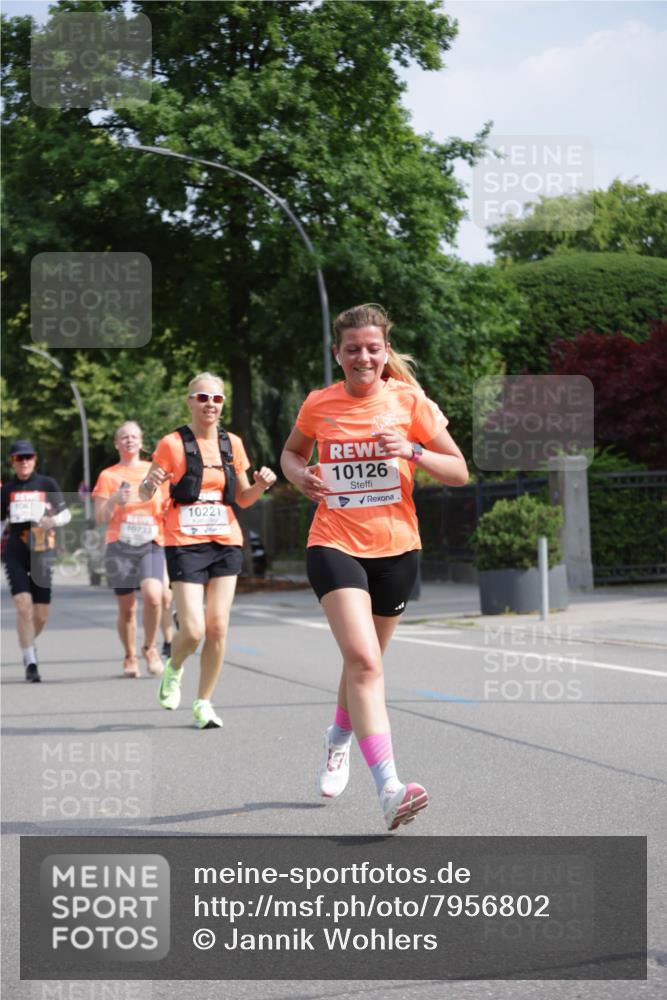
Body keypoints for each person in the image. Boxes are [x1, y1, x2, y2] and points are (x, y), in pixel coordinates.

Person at [281, 304, 468, 831]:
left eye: (372, 347)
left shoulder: (409, 401)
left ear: (385, 352)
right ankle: (389, 787)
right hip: (334, 541)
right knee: (363, 661)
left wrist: (412, 450)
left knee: (365, 665)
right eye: (352, 348)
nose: (362, 356)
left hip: (397, 547)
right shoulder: (319, 404)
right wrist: (300, 477)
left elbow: (458, 471)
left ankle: (338, 735)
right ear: (337, 354)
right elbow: (292, 453)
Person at [140, 372, 277, 729]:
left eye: (217, 399)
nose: (210, 405)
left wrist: (261, 484)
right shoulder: (171, 444)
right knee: (195, 630)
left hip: (225, 540)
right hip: (184, 542)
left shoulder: (233, 444)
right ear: (190, 402)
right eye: (203, 398)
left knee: (218, 627)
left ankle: (204, 702)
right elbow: (145, 494)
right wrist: (148, 483)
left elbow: (244, 499)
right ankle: (175, 668)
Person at [92, 421, 167, 678]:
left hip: (151, 542)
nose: (129, 440)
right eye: (124, 437)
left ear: (141, 441)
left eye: (134, 436)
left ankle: (150, 648)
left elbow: (168, 506)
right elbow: (100, 517)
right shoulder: (108, 476)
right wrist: (114, 499)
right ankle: (129, 655)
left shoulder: (154, 471)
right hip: (119, 544)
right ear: (116, 444)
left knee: (154, 595)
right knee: (127, 609)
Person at [1, 440, 71, 682]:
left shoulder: (46, 483)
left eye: (28, 457)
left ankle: (28, 641)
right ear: (13, 462)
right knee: (23, 607)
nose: (24, 462)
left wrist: (53, 521)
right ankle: (30, 659)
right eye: (19, 458)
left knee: (40, 615)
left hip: (41, 551)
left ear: (35, 459)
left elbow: (66, 513)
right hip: (15, 551)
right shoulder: (7, 490)